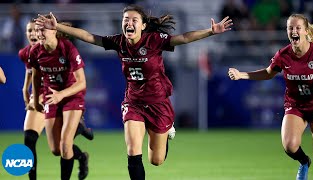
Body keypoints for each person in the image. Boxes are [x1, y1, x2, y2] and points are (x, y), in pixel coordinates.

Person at [36, 5, 232, 180]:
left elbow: (183, 38)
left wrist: (210, 32)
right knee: (132, 151)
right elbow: (89, 36)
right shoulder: (119, 42)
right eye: (125, 20)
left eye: (134, 20)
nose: (129, 23)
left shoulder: (154, 40)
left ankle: (165, 135)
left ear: (143, 26)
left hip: (158, 104)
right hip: (133, 103)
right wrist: (58, 27)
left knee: (156, 160)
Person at [228, 14, 313, 180]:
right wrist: (242, 75)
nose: (294, 31)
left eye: (298, 28)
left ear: (306, 31)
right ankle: (304, 162)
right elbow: (268, 73)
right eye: (290, 28)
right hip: (296, 105)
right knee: (290, 146)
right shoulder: (283, 55)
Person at [19, 19, 94, 180]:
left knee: (65, 145)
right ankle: (79, 132)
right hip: (50, 97)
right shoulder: (34, 51)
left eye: (42, 30)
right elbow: (36, 76)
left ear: (54, 30)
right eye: (36, 30)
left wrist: (61, 94)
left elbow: (82, 82)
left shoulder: (67, 48)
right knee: (56, 150)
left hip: (71, 96)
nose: (38, 34)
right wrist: (37, 99)